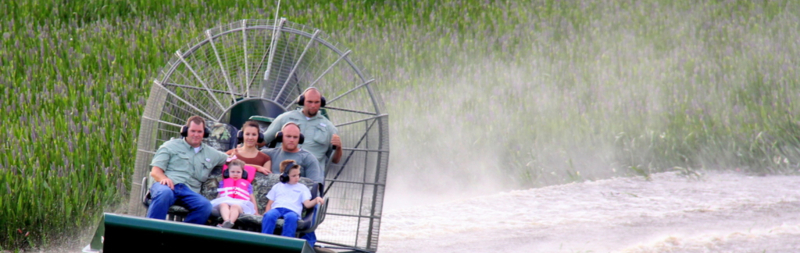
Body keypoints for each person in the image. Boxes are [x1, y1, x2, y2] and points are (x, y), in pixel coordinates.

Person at [147, 116, 228, 224]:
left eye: (199, 131)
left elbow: (233, 159)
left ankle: (182, 237)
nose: (196, 135)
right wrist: (163, 178)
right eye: (193, 131)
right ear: (185, 131)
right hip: (168, 186)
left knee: (205, 206)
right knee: (164, 194)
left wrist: (257, 166)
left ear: (205, 133)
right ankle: (152, 233)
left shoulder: (212, 153)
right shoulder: (170, 146)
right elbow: (155, 171)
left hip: (189, 191)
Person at [263, 87, 343, 173]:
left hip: (310, 175)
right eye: (310, 102)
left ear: (322, 103)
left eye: (317, 102)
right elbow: (263, 141)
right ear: (302, 101)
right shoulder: (285, 118)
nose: (313, 106)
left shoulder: (329, 127)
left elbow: (335, 160)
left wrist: (338, 147)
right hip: (281, 172)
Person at [261, 160, 324, 238]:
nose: (297, 177)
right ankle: (265, 239)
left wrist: (316, 200)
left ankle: (286, 242)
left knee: (291, 218)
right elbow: (270, 203)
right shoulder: (277, 186)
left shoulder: (302, 188)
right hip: (277, 209)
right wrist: (267, 212)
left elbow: (307, 204)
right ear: (284, 176)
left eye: (298, 175)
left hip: (292, 211)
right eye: (294, 176)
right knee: (269, 215)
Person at [210, 159, 258, 228]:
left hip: (240, 204)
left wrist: (256, 211)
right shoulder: (223, 182)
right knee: (223, 204)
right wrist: (216, 202)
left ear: (243, 173)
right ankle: (226, 221)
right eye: (232, 172)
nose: (235, 174)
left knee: (235, 206)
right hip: (225, 200)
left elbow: (252, 198)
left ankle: (230, 222)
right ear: (227, 172)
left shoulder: (248, 184)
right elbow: (220, 195)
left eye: (238, 172)